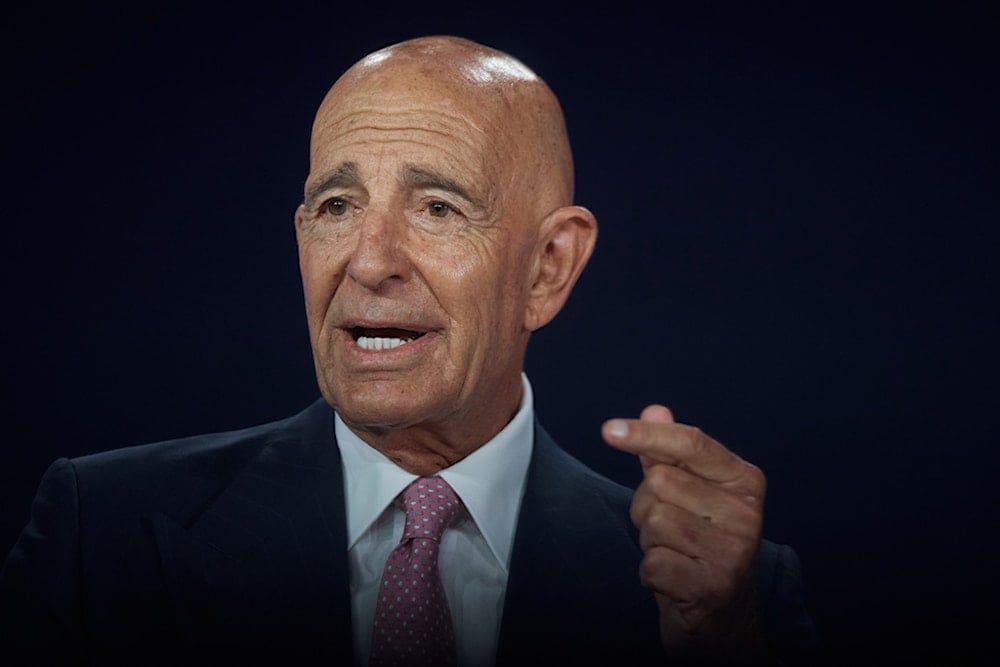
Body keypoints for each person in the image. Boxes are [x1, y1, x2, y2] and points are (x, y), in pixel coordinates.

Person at [0, 35, 820, 665]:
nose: (368, 259)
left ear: (548, 267)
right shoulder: (98, 535)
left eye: (437, 206)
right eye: (336, 205)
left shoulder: (716, 594)